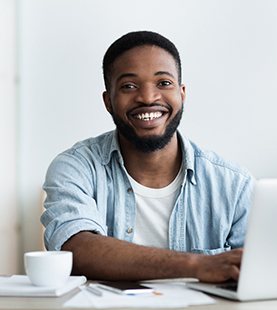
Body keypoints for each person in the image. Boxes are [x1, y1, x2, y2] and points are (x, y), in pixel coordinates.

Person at [41, 31, 254, 282]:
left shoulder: (234, 186)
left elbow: (259, 270)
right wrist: (197, 265)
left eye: (163, 83)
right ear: (108, 101)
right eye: (129, 86)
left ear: (182, 93)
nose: (148, 98)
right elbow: (77, 249)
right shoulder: (75, 168)